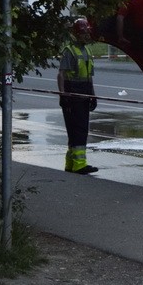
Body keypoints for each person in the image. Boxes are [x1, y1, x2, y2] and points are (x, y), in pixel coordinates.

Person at [58, 18, 99, 174]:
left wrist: (93, 96)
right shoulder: (70, 51)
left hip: (84, 93)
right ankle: (79, 164)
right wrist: (63, 95)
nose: (86, 35)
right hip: (73, 94)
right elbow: (61, 75)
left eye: (87, 31)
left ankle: (71, 164)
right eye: (83, 32)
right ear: (76, 34)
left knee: (77, 130)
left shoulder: (87, 51)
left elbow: (89, 77)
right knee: (78, 130)